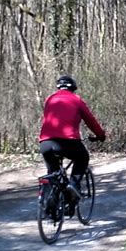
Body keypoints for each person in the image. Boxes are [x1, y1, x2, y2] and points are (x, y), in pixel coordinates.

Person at [39, 75, 106, 204]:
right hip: (68, 141)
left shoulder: (50, 99)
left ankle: (51, 205)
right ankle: (73, 185)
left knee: (53, 172)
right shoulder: (76, 100)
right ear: (73, 88)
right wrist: (100, 135)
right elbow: (90, 120)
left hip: (46, 143)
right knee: (82, 158)